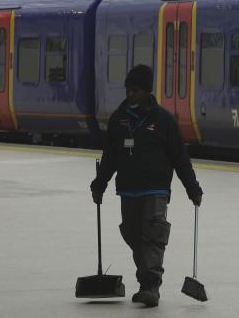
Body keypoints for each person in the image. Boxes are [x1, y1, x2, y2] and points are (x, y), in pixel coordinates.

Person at [90, 64, 203, 308]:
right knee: (132, 233)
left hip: (155, 189)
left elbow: (180, 157)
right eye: (128, 89)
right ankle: (146, 280)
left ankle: (150, 285)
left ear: (146, 91)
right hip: (128, 188)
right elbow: (110, 156)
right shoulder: (118, 120)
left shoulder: (163, 120)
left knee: (152, 234)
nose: (130, 94)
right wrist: (99, 184)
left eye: (135, 90)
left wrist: (192, 188)